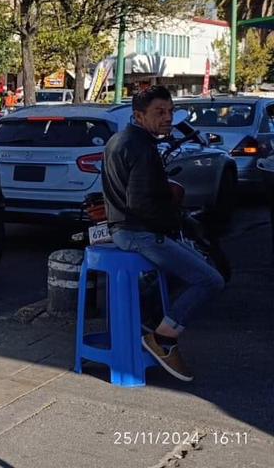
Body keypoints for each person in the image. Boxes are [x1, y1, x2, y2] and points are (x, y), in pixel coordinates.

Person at [103, 85, 224, 382]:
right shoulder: (142, 148)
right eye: (159, 112)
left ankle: (147, 319)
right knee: (211, 280)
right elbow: (141, 203)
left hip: (123, 228)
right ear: (139, 116)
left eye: (170, 111)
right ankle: (164, 339)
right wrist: (171, 223)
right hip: (137, 232)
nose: (167, 118)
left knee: (179, 268)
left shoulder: (119, 140)